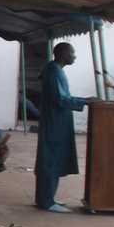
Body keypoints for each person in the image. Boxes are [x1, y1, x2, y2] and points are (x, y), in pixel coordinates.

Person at [36, 42, 94, 213]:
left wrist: (84, 100)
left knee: (52, 158)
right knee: (50, 159)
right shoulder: (54, 71)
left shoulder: (55, 69)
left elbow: (63, 96)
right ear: (62, 54)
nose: (74, 56)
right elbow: (60, 99)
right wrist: (85, 101)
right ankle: (46, 201)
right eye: (72, 53)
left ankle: (47, 198)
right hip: (54, 122)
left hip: (57, 120)